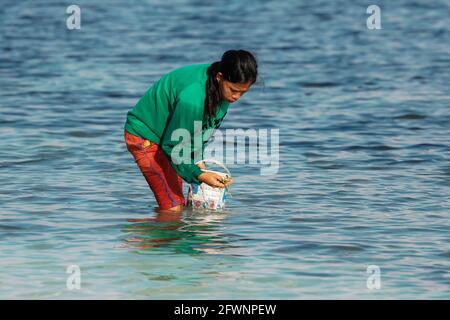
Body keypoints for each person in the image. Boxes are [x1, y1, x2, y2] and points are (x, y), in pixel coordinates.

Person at [124, 50, 258, 212]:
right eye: (233, 90)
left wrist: (199, 166)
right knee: (173, 207)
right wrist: (199, 175)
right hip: (146, 136)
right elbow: (172, 146)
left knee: (182, 203)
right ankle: (149, 235)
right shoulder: (193, 98)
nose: (236, 97)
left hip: (169, 138)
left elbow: (198, 131)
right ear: (219, 77)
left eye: (243, 92)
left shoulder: (221, 90)